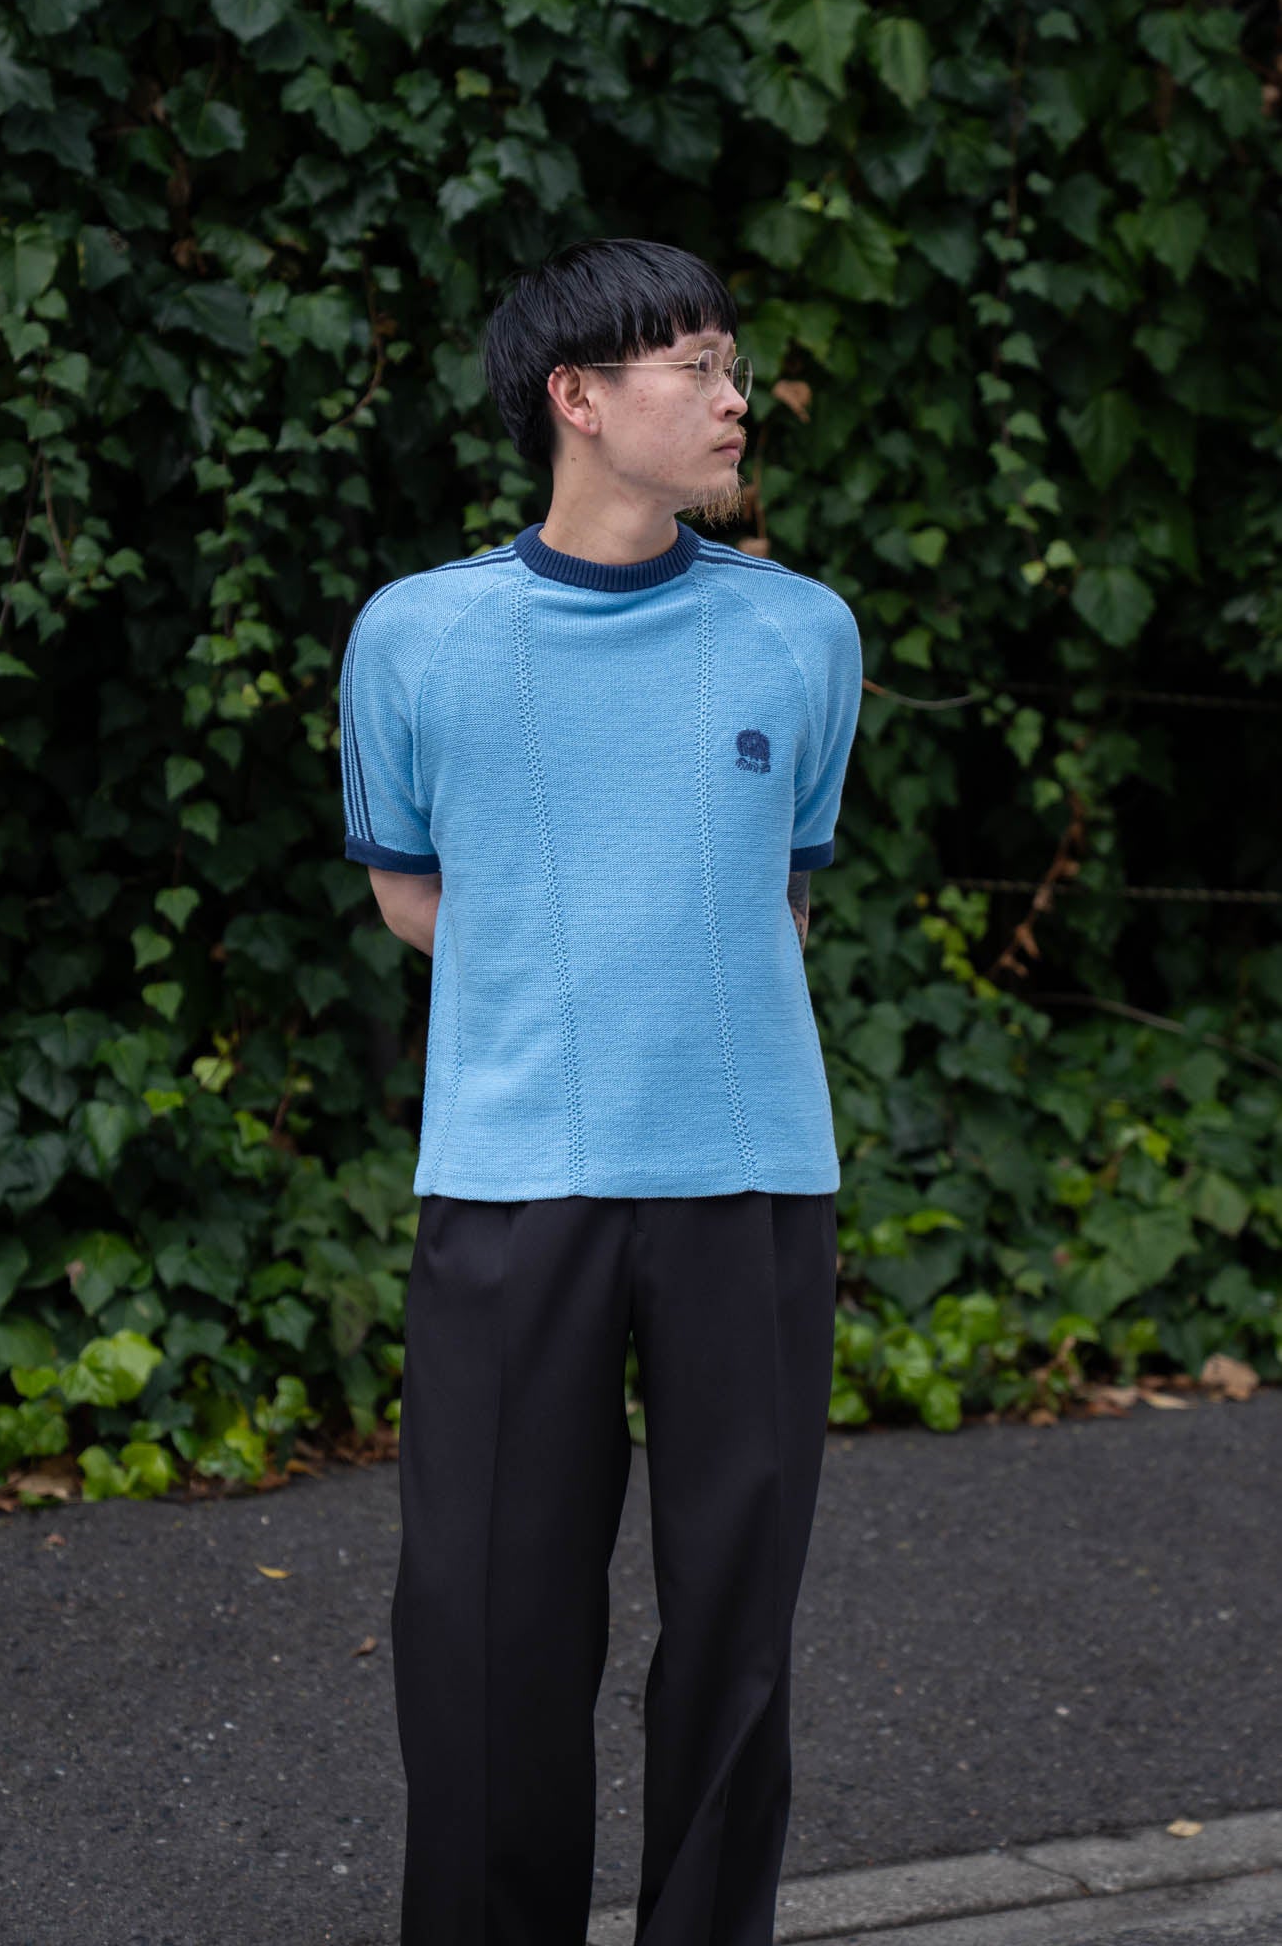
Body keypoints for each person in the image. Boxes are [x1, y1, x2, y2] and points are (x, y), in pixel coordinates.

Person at [338, 237, 863, 1946]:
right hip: (510, 1183)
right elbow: (409, 890)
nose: (733, 399)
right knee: (484, 1626)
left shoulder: (801, 634)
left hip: (752, 1183)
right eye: (694, 367)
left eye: (731, 365)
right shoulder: (419, 637)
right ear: (574, 396)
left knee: (734, 1632)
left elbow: (780, 887)